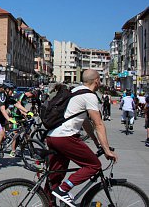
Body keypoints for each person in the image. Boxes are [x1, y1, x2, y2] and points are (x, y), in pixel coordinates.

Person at [46, 69, 118, 207]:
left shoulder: (75, 90)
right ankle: (64, 190)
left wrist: (97, 142)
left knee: (56, 175)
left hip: (53, 136)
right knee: (94, 165)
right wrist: (107, 149)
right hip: (65, 137)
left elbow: (85, 122)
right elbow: (98, 124)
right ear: (96, 80)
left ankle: (48, 202)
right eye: (100, 80)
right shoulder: (90, 96)